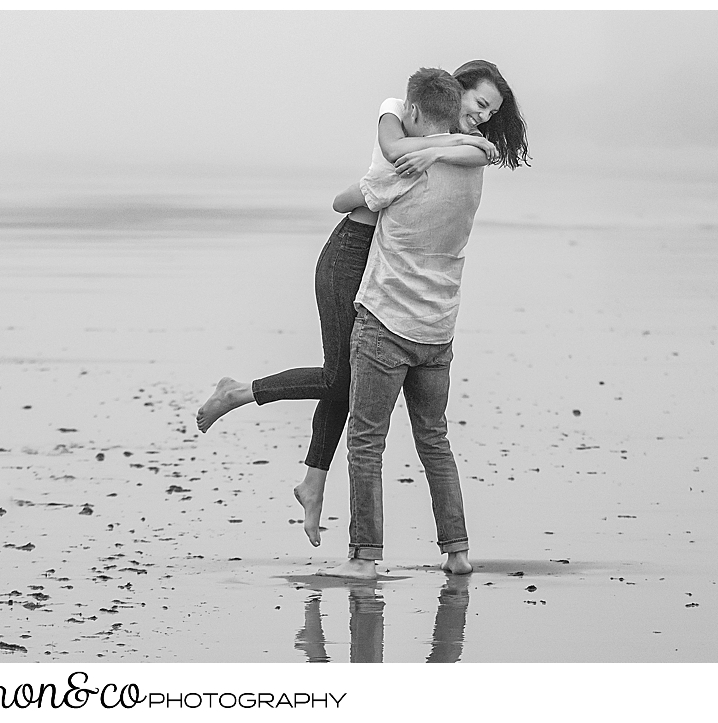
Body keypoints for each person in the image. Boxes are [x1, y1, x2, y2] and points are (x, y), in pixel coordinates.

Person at [196, 60, 529, 547]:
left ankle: (312, 479)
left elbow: (483, 150)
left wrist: (445, 148)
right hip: (350, 252)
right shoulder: (400, 114)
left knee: (347, 379)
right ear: (451, 95)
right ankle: (240, 392)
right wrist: (437, 148)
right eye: (479, 104)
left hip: (379, 261)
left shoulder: (459, 150)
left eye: (491, 112)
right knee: (342, 378)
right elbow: (390, 155)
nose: (482, 118)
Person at [320, 69, 491, 580]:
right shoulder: (473, 163)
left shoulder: (406, 169)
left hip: (387, 320)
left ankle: (364, 558)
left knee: (366, 443)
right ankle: (457, 552)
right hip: (439, 329)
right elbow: (481, 149)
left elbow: (342, 201)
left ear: (414, 114)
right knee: (434, 441)